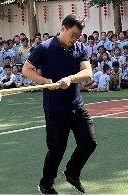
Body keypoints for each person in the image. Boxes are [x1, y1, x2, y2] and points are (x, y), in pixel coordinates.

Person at [22, 15, 96, 194]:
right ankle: (46, 184)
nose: (75, 39)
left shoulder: (80, 48)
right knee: (56, 150)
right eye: (73, 34)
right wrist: (45, 81)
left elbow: (88, 72)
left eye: (78, 36)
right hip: (55, 109)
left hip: (76, 106)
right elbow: (26, 70)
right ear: (63, 28)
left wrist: (70, 78)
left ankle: (72, 172)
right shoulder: (44, 48)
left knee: (89, 143)